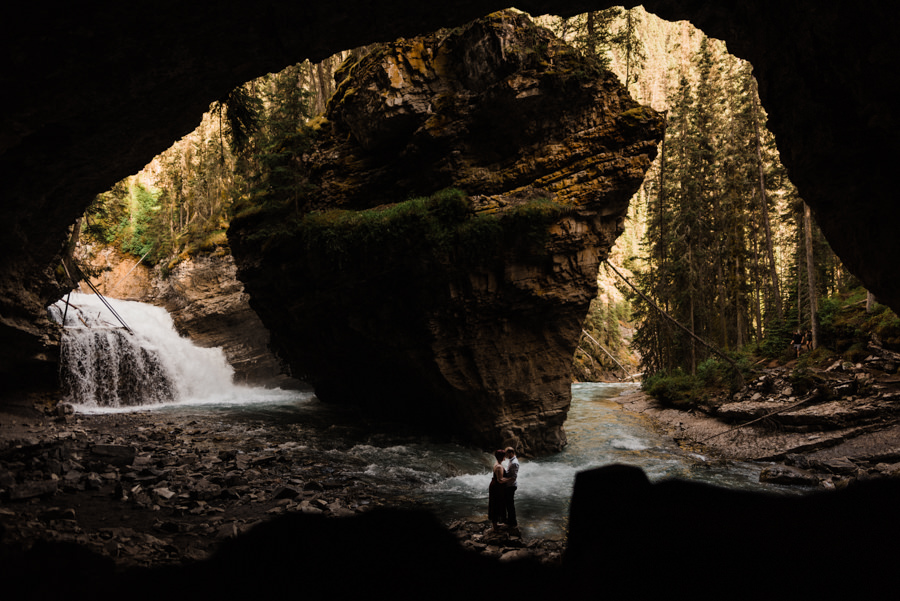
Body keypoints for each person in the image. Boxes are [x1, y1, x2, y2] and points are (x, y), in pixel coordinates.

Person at [487, 449, 508, 531]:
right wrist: (511, 479)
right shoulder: (499, 466)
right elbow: (500, 480)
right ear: (502, 457)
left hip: (495, 485)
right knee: (497, 504)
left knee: (495, 503)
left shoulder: (497, 463)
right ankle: (495, 526)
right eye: (504, 456)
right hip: (497, 487)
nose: (505, 457)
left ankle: (495, 524)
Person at [503, 446, 519, 530]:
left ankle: (513, 522)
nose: (505, 455)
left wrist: (503, 480)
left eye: (506, 454)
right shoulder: (511, 461)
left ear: (511, 453)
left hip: (511, 486)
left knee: (510, 505)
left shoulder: (514, 463)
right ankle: (510, 520)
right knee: (509, 504)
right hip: (509, 485)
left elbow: (514, 477)